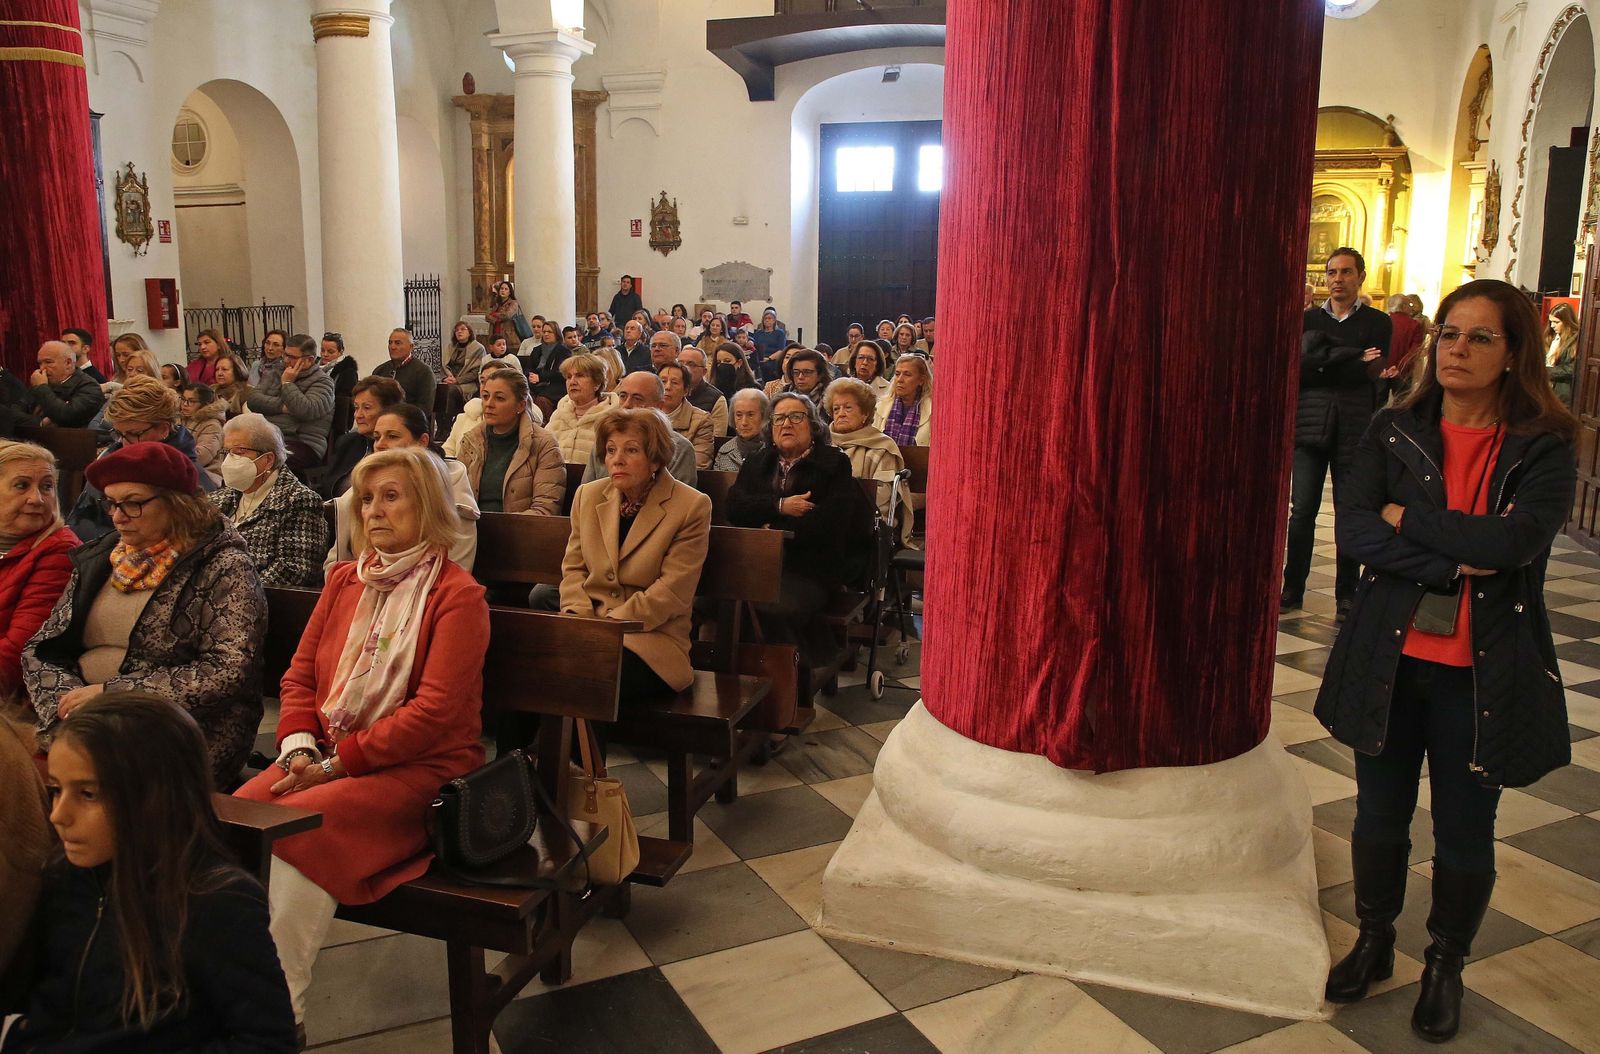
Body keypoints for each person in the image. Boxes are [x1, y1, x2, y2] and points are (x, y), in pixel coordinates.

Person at [1314, 279, 1578, 1043]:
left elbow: (1513, 544)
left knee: (1465, 829)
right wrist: (1450, 561)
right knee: (1378, 817)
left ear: (1514, 353)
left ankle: (1444, 965)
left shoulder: (1543, 448)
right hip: (1389, 660)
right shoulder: (1393, 429)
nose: (1457, 349)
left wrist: (1414, 523)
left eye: (1480, 337)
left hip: (1483, 670)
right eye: (1450, 334)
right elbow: (1359, 529)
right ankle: (1373, 939)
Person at [233, 447, 489, 1030]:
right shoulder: (345, 581)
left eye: (391, 497)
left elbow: (435, 714)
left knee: (304, 826)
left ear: (426, 505)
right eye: (366, 498)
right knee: (242, 816)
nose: (373, 511)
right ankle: (230, 982)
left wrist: (332, 767)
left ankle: (277, 1012)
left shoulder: (457, 595)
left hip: (422, 769)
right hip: (324, 755)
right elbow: (298, 678)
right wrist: (298, 746)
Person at [9, 691, 296, 1052]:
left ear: (154, 798)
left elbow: (270, 1042)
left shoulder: (217, 901)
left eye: (88, 794)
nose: (58, 815)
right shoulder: (62, 877)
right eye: (56, 790)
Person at [25, 442, 266, 785]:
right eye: (111, 503)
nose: (117, 516)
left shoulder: (223, 564)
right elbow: (43, 648)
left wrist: (114, 695)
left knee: (93, 777)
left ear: (177, 503)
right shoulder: (101, 558)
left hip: (178, 731)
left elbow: (227, 671)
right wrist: (64, 708)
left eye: (133, 503)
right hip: (85, 722)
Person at [560, 408, 710, 704]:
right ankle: (517, 751)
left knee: (590, 677)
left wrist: (609, 628)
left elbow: (672, 591)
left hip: (652, 639)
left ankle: (553, 753)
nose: (617, 459)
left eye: (631, 450)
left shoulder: (690, 506)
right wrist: (582, 621)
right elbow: (573, 570)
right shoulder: (588, 496)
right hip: (590, 629)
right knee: (524, 665)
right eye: (611, 450)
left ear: (655, 458)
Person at [1284, 247, 1394, 621]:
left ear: (1360, 276)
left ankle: (1347, 595)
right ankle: (1291, 588)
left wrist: (1324, 360)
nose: (1337, 279)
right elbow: (1299, 367)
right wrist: (1351, 356)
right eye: (1332, 272)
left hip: (1354, 426)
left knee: (1350, 512)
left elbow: (1373, 370)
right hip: (1310, 425)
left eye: (1346, 272)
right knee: (1302, 513)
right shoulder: (1306, 320)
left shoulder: (1378, 322)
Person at [726, 393, 873, 667]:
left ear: (812, 426)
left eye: (796, 417)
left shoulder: (833, 464)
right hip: (757, 565)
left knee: (772, 608)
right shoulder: (758, 462)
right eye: (780, 418)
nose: (787, 424)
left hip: (810, 568)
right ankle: (742, 677)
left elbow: (829, 524)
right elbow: (734, 507)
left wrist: (771, 529)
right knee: (720, 603)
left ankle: (790, 682)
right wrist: (779, 506)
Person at [328, 403, 479, 571]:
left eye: (392, 436)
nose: (380, 445)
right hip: (362, 581)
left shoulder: (452, 492)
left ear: (422, 441)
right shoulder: (362, 487)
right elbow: (335, 562)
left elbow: (455, 567)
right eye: (377, 437)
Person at [67, 376, 215, 542]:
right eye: (119, 434)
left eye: (134, 434)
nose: (124, 443)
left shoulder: (187, 477)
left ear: (164, 429)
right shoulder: (110, 461)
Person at [0, 442, 78, 708]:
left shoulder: (59, 551)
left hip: (15, 702)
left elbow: (20, 652)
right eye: (22, 485)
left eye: (47, 486)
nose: (37, 499)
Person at [209, 414, 329, 587]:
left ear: (268, 459)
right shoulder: (219, 499)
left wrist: (234, 592)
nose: (229, 459)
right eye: (226, 452)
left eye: (239, 451)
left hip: (263, 602)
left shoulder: (299, 501)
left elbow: (294, 571)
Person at [457, 368, 565, 515]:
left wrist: (505, 530)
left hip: (520, 531)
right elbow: (454, 497)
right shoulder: (471, 440)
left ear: (520, 405)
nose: (489, 404)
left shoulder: (544, 444)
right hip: (470, 530)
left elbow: (545, 509)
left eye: (499, 398)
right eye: (485, 396)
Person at [827, 377, 912, 543]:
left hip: (864, 527)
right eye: (836, 409)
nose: (841, 413)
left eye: (848, 408)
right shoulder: (822, 443)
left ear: (865, 413)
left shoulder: (882, 446)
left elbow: (883, 497)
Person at [579, 371, 699, 487]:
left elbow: (677, 501)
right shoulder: (607, 440)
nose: (627, 404)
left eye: (637, 398)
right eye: (623, 396)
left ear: (658, 406)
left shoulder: (680, 448)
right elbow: (586, 493)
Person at [244, 333, 336, 473]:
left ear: (309, 360)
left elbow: (306, 410)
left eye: (292, 357)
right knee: (239, 459)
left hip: (304, 442)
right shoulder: (277, 372)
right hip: (271, 437)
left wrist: (287, 383)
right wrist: (281, 407)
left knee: (269, 463)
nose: (286, 360)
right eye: (285, 355)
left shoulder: (323, 382)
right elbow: (253, 399)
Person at [321, 376, 405, 500]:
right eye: (356, 407)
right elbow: (325, 488)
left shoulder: (399, 447)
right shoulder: (348, 443)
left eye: (366, 408)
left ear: (389, 410)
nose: (358, 415)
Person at [547, 353, 618, 464]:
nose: (572, 382)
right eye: (569, 377)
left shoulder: (611, 419)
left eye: (580, 376)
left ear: (597, 384)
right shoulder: (558, 414)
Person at [25, 340, 105, 428]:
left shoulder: (90, 387)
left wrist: (41, 387)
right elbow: (14, 414)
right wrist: (41, 423)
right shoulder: (42, 382)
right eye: (40, 363)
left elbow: (66, 416)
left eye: (48, 362)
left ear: (68, 363)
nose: (42, 368)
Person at [658, 362, 715, 468]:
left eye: (674, 383)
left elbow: (698, 465)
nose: (667, 387)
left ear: (686, 390)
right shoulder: (644, 415)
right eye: (663, 381)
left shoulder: (701, 421)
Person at [372, 328, 438, 418]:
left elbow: (425, 408)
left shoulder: (423, 372)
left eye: (397, 343)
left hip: (408, 423)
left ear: (411, 347)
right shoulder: (380, 370)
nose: (392, 347)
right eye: (390, 343)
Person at [877, 353, 933, 446]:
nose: (899, 379)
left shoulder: (933, 411)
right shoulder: (881, 406)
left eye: (907, 374)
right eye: (897, 374)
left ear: (921, 380)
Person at [711, 388, 769, 473]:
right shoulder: (724, 451)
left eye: (750, 415)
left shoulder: (775, 450)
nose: (744, 422)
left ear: (764, 416)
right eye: (739, 415)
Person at [179, 383, 226, 486]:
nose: (185, 404)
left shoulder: (212, 425)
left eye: (191, 401)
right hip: (183, 469)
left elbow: (200, 457)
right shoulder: (179, 418)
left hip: (206, 476)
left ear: (205, 404)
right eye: (183, 399)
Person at [522, 319, 570, 413]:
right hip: (535, 383)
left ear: (556, 334)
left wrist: (540, 377)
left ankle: (546, 424)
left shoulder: (563, 351)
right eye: (544, 332)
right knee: (523, 395)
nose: (546, 334)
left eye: (549, 332)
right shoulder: (537, 350)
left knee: (542, 400)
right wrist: (530, 375)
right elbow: (529, 367)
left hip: (555, 384)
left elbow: (561, 373)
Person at [678, 346, 729, 435]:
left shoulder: (716, 400)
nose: (684, 368)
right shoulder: (666, 392)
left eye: (691, 364)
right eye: (680, 364)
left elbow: (715, 438)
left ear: (704, 372)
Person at [442, 320, 488, 402]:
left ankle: (452, 415)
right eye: (457, 330)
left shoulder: (478, 348)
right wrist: (447, 378)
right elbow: (445, 366)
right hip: (451, 379)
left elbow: (476, 372)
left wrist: (457, 380)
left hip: (470, 382)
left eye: (462, 329)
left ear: (469, 332)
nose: (459, 331)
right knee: (438, 388)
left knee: (451, 391)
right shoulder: (451, 347)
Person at [1545, 302, 1579, 406]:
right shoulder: (1551, 337)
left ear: (1567, 321)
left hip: (1562, 392)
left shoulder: (1575, 340)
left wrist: (1546, 371)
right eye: (1551, 321)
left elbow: (1573, 368)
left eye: (1556, 322)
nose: (1552, 325)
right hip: (1546, 389)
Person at [212, 350, 253, 418]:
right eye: (217, 369)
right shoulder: (211, 390)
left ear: (237, 371)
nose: (219, 373)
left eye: (224, 369)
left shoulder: (247, 392)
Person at [320, 331, 359, 398]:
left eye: (330, 352)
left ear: (340, 352)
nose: (325, 354)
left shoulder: (348, 373)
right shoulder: (314, 367)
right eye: (322, 350)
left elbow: (346, 402)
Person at [485, 280, 524, 345]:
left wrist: (494, 314)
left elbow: (507, 315)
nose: (503, 290)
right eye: (501, 289)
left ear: (509, 292)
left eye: (506, 289)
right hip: (494, 331)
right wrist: (496, 319)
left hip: (507, 334)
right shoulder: (495, 303)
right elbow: (487, 316)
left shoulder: (513, 303)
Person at [752, 308, 787, 379]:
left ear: (774, 321)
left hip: (773, 359)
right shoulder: (758, 333)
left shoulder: (779, 333)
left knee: (767, 366)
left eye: (770, 318)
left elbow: (781, 350)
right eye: (765, 318)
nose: (767, 320)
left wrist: (769, 358)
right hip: (759, 358)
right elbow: (754, 347)